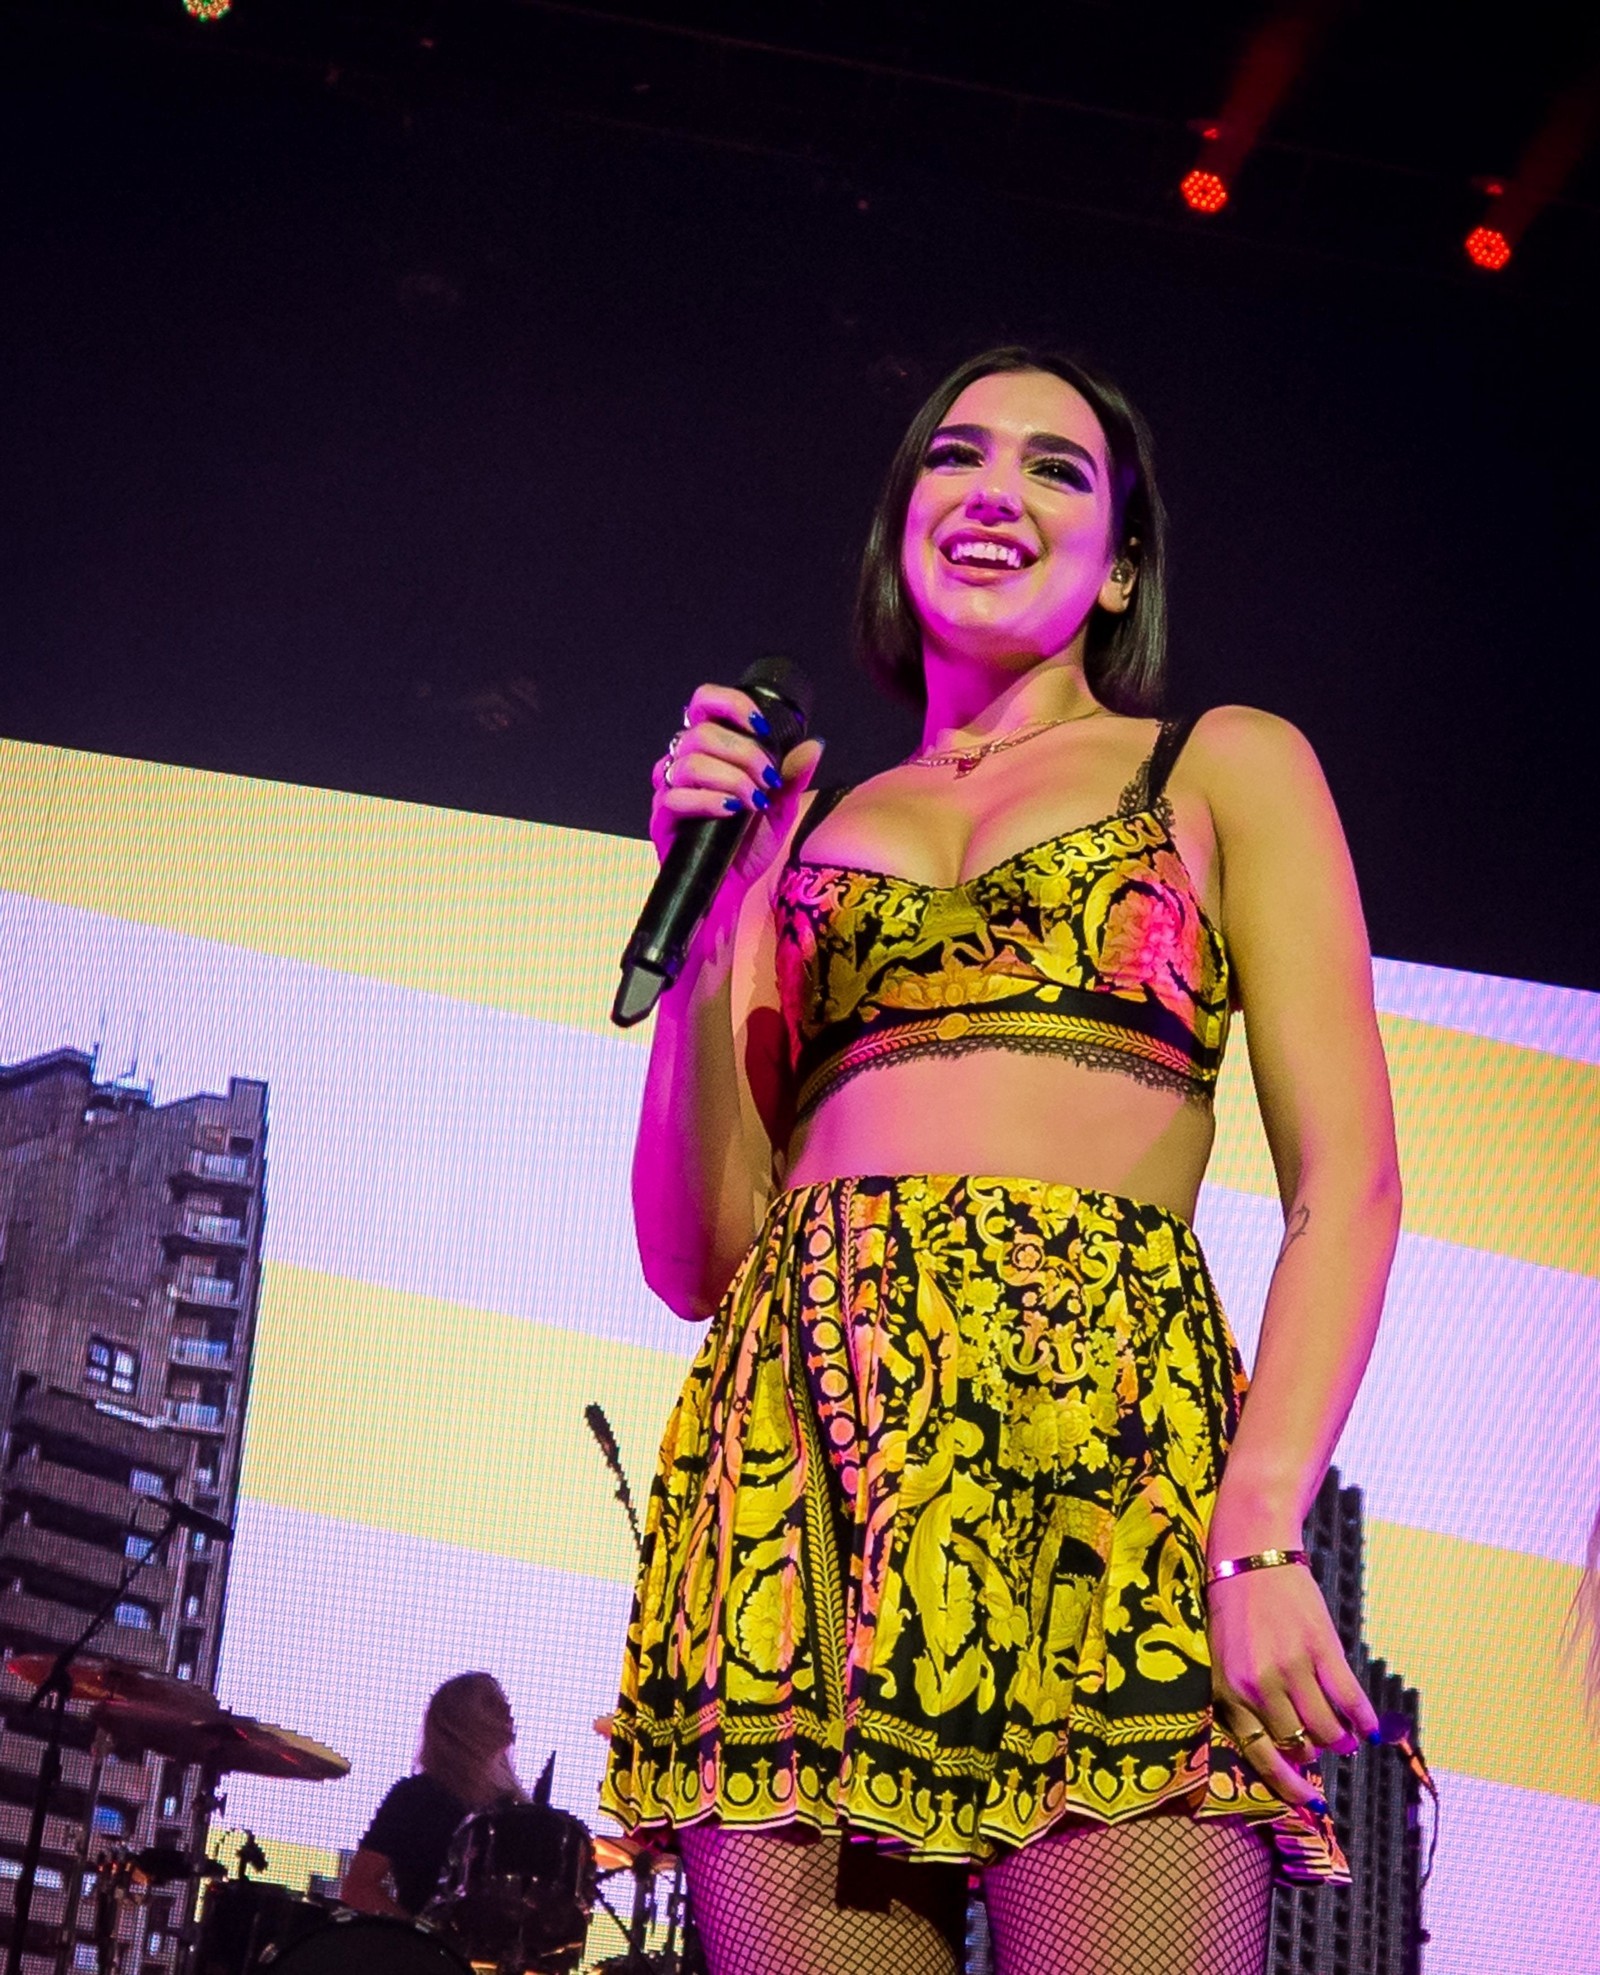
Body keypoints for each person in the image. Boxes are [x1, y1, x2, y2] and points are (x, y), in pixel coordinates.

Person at [600, 346, 1401, 1975]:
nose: (994, 491)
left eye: (1057, 467)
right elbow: (698, 1257)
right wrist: (714, 918)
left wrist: (1259, 1525)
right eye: (955, 455)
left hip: (1114, 1493)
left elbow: (1348, 1186)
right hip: (808, 1492)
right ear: (901, 526)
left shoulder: (1220, 764)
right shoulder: (799, 829)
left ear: (1121, 568)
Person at [341, 1672, 523, 1919]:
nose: (507, 1709)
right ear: (460, 1723)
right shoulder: (416, 1797)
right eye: (491, 1702)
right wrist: (418, 1935)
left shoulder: (514, 1807)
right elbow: (358, 1887)